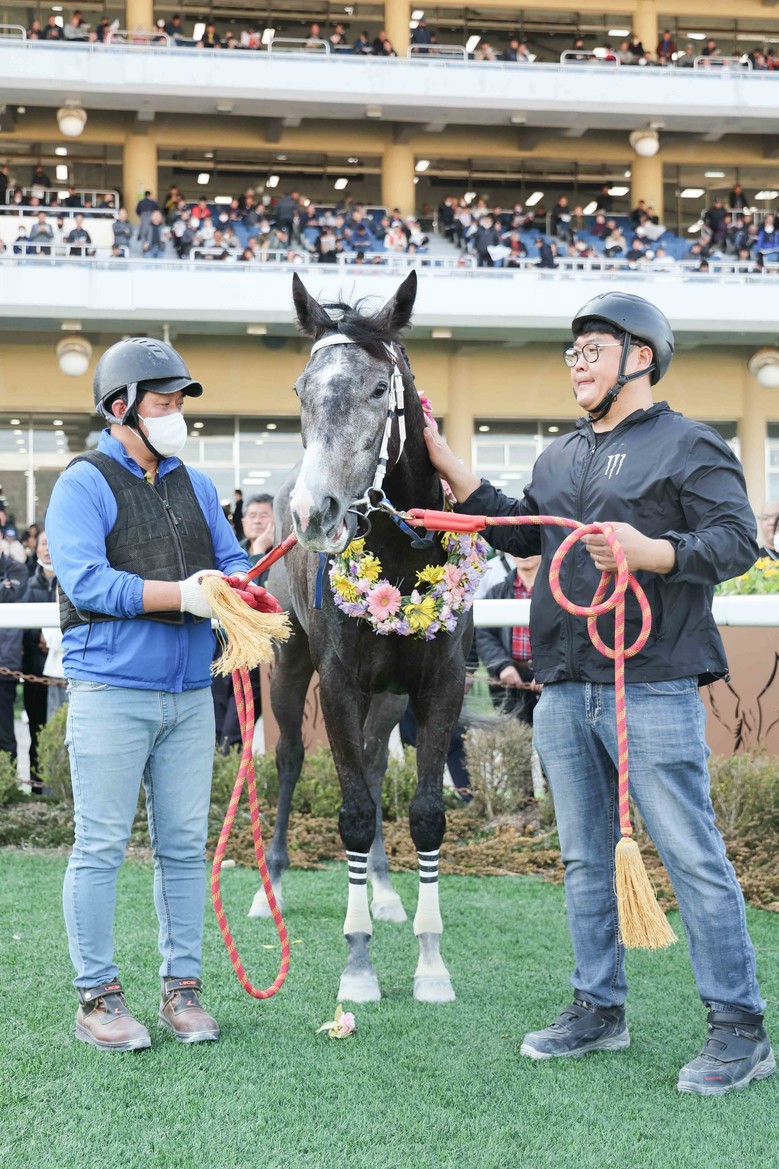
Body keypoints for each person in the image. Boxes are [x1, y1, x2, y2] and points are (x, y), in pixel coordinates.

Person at [422, 291, 773, 1096]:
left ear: (639, 357)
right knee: (583, 858)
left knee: (690, 856)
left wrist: (652, 551)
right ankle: (597, 1007)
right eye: (572, 352)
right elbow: (520, 530)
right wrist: (444, 459)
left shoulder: (689, 443)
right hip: (563, 685)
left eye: (592, 349)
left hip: (650, 682)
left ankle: (738, 1027)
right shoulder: (559, 457)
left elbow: (735, 540)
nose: (576, 363)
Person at [46, 337, 256, 1052]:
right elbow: (87, 583)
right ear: (120, 407)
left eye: (177, 404)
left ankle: (182, 989)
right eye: (163, 404)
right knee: (100, 847)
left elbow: (231, 557)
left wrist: (239, 585)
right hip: (110, 691)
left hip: (190, 694)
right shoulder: (82, 483)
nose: (176, 416)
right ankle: (97, 997)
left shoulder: (195, 483)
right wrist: (183, 595)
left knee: (185, 848)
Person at [475, 553, 542, 725]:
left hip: (547, 680)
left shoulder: (556, 592)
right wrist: (502, 665)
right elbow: (484, 635)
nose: (525, 554)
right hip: (508, 679)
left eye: (532, 547)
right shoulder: (497, 592)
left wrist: (549, 669)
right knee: (512, 737)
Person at [21, 530, 58, 792]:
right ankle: (37, 787)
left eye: (52, 544)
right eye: (44, 544)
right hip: (35, 666)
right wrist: (39, 638)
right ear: (37, 549)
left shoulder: (67, 583)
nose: (47, 549)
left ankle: (58, 787)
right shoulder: (28, 584)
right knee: (36, 730)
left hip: (60, 669)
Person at [0, 549, 30, 765]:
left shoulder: (18, 569)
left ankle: (8, 780)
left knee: (4, 731)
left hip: (5, 661)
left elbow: (10, 597)